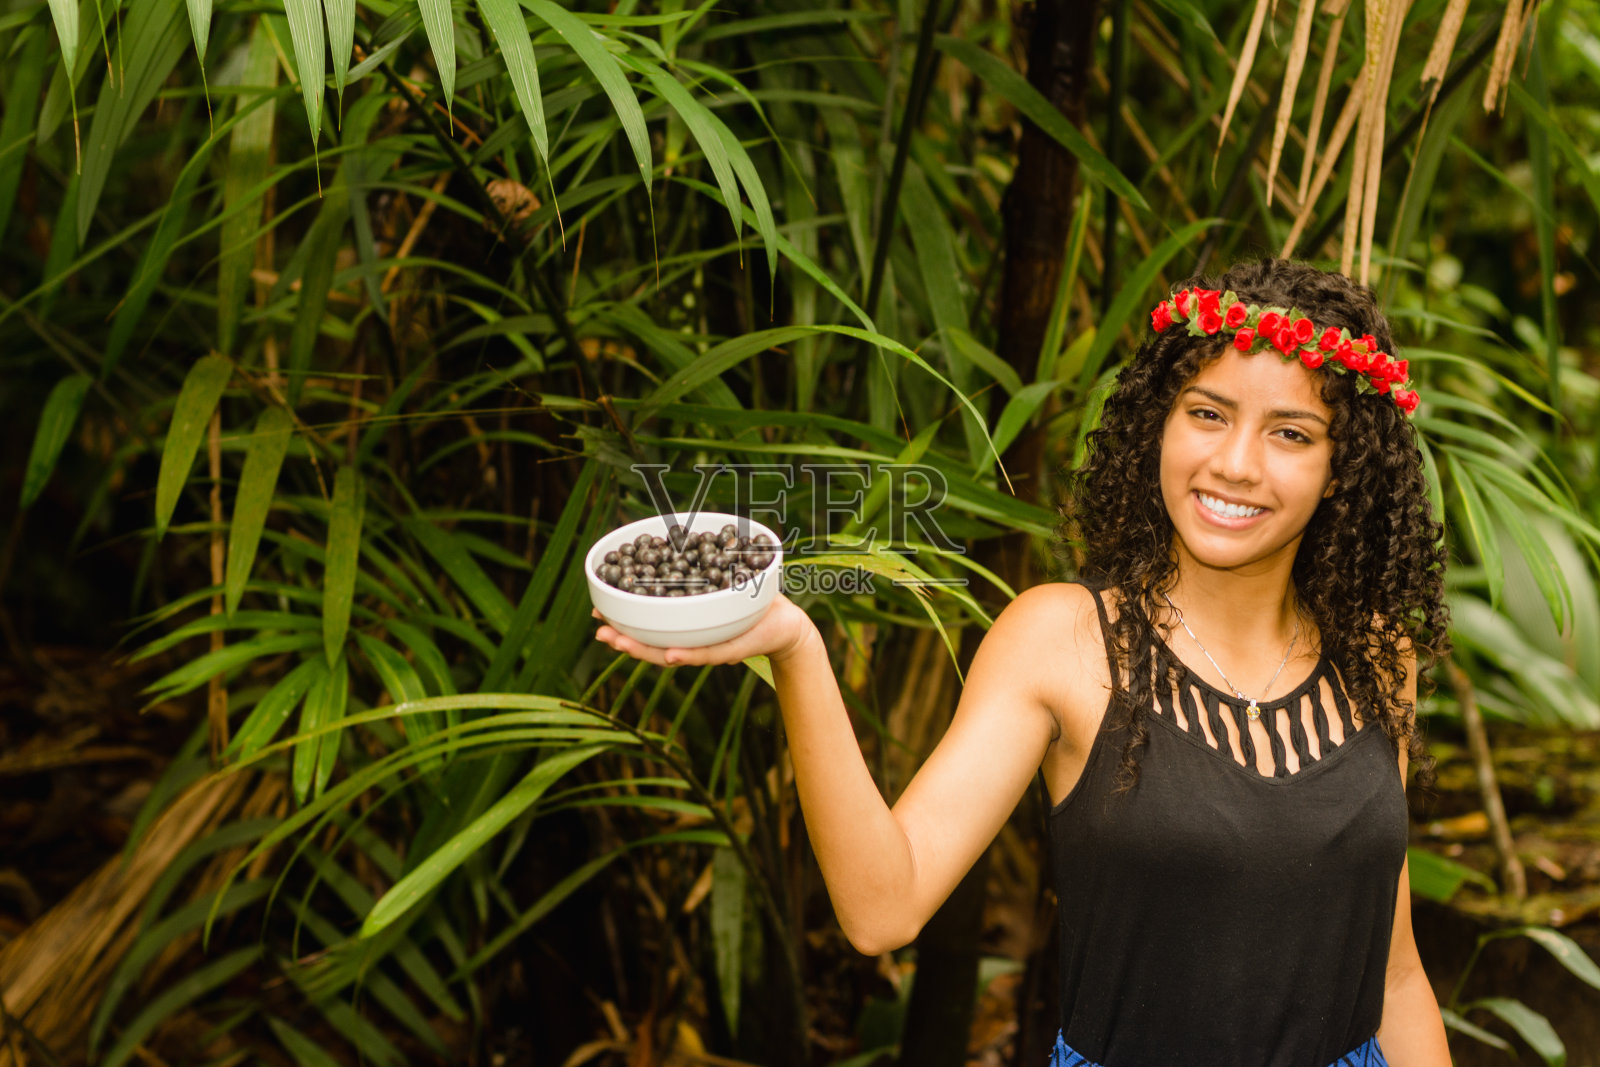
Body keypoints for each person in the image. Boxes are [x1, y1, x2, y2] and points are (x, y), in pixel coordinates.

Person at [592, 258, 1453, 1067]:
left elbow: (1395, 971)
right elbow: (882, 908)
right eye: (1207, 412)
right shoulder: (1063, 641)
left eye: (1290, 433)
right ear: (1162, 419)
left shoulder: (1379, 658)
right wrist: (796, 647)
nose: (1234, 462)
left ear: (1342, 469)